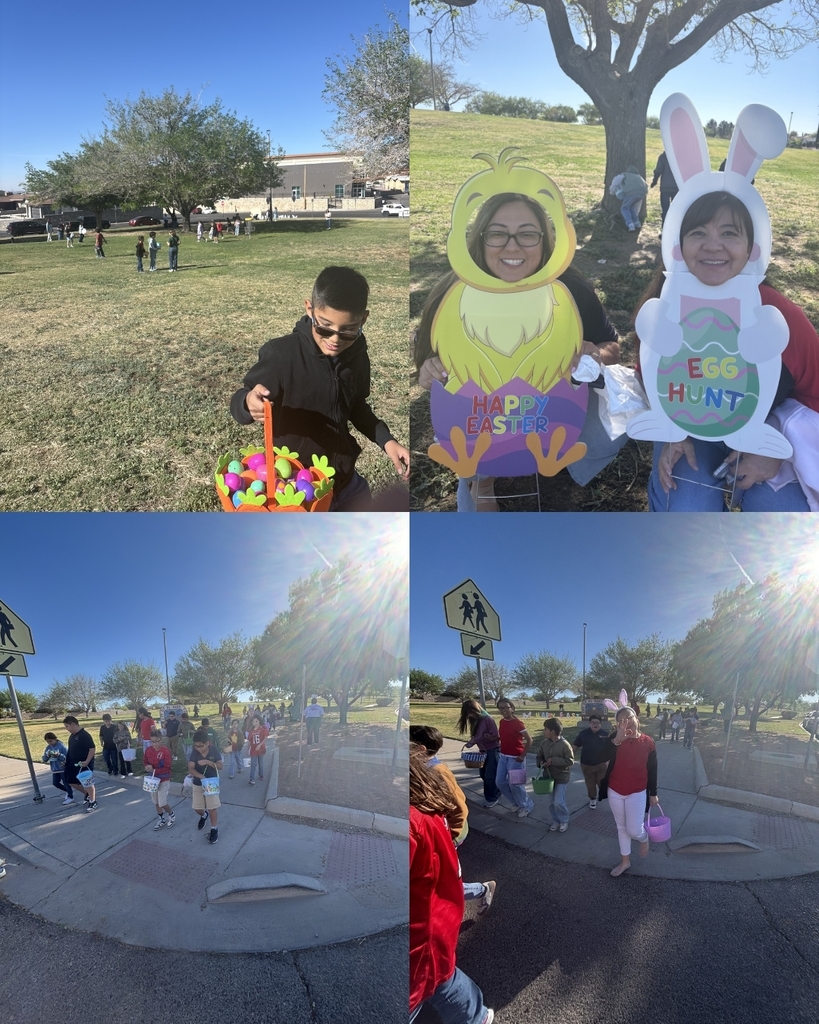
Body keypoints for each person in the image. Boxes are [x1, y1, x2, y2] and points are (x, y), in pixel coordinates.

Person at [415, 191, 625, 512]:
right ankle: (482, 480)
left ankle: (556, 464)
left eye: (527, 234)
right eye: (498, 233)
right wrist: (430, 370)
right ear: (480, 240)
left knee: (612, 428)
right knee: (472, 458)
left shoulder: (571, 290)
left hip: (551, 404)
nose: (512, 246)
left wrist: (595, 353)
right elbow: (427, 366)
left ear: (544, 243)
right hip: (484, 413)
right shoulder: (455, 296)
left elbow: (613, 348)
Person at [639, 192, 819, 511]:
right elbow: (647, 377)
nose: (713, 245)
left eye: (729, 233)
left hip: (767, 431)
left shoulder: (778, 316)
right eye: (698, 233)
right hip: (692, 431)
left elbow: (815, 394)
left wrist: (779, 447)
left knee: (782, 520)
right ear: (678, 246)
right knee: (688, 508)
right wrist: (672, 432)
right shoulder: (665, 310)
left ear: (751, 248)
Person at [230, 265, 410, 510]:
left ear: (363, 319)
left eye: (348, 330)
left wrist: (386, 440)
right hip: (297, 490)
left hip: (345, 481)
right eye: (325, 326)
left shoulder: (355, 353)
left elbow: (356, 406)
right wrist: (247, 403)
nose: (335, 339)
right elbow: (241, 399)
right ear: (309, 309)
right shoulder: (282, 355)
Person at [409, 745, 495, 1024]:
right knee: (440, 979)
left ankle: (474, 1016)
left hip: (426, 922)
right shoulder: (420, 797)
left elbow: (459, 809)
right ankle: (475, 1016)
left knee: (438, 977)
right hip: (434, 906)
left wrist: (455, 837)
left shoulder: (414, 812)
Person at [410, 725, 496, 915]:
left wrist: (450, 838)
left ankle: (482, 890)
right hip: (437, 835)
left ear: (420, 750)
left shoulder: (437, 772)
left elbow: (460, 807)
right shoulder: (420, 769)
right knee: (438, 880)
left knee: (443, 881)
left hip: (449, 834)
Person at [598, 706, 659, 877]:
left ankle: (643, 838)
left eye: (629, 717)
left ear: (636, 718)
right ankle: (625, 861)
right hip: (615, 790)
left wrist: (653, 793)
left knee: (634, 830)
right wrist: (617, 740)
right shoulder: (615, 739)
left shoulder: (648, 742)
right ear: (618, 725)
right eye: (621, 721)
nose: (627, 722)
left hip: (637, 791)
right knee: (621, 828)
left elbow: (653, 770)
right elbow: (600, 757)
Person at [457, 699, 501, 808]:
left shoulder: (488, 719)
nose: (469, 716)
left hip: (492, 750)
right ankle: (497, 790)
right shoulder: (476, 721)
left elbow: (496, 737)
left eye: (469, 713)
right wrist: (473, 741)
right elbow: (478, 736)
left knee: (490, 776)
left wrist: (486, 738)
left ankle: (492, 798)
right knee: (483, 775)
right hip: (483, 751)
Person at [495, 698, 534, 817]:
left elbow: (529, 740)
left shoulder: (518, 723)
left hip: (516, 758)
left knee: (516, 784)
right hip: (503, 757)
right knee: (500, 782)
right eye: (501, 708)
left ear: (512, 708)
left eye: (506, 707)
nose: (504, 710)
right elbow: (504, 737)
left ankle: (527, 805)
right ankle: (516, 803)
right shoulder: (502, 722)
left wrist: (523, 755)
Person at [536, 718, 574, 832]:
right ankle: (556, 820)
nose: (544, 731)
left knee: (558, 801)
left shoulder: (565, 745)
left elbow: (570, 761)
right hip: (548, 778)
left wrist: (553, 760)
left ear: (552, 731)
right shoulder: (544, 743)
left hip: (562, 777)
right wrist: (541, 762)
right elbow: (539, 756)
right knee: (552, 802)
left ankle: (564, 820)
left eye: (546, 729)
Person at [188, 729, 223, 844]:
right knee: (197, 807)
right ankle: (203, 815)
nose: (198, 748)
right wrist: (201, 777)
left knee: (212, 807)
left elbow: (220, 766)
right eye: (196, 746)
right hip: (198, 783)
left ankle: (214, 828)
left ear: (207, 743)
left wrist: (208, 762)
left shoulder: (213, 750)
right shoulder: (194, 752)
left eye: (201, 746)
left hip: (211, 783)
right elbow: (191, 768)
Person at [572, 713, 611, 808]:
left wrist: (608, 761)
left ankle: (607, 796)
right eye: (593, 722)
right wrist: (569, 757)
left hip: (601, 765)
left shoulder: (605, 735)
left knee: (602, 783)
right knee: (590, 784)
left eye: (597, 722)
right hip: (587, 765)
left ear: (601, 724)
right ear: (589, 724)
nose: (595, 724)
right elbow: (575, 746)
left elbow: (611, 749)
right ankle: (593, 799)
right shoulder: (583, 734)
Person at [63, 715, 98, 811]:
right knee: (71, 781)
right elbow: (71, 750)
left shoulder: (84, 735)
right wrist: (67, 760)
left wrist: (87, 761)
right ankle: (87, 794)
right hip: (72, 763)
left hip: (84, 764)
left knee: (88, 784)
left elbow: (92, 749)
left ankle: (93, 801)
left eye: (67, 726)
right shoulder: (72, 735)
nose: (66, 729)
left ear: (73, 724)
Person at [144, 728, 175, 830]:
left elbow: (167, 767)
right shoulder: (148, 750)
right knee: (156, 801)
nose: (155, 744)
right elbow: (145, 761)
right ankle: (161, 818)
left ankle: (171, 814)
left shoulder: (165, 751)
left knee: (162, 802)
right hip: (153, 780)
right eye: (152, 742)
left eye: (157, 741)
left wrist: (154, 770)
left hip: (164, 779)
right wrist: (147, 766)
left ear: (161, 740)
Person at [609, 165, 648, 232]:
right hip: (642, 194)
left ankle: (630, 224)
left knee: (624, 208)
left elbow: (616, 181)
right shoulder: (639, 177)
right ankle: (637, 223)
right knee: (631, 207)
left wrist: (612, 191)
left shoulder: (625, 175)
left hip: (631, 193)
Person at [41, 732, 73, 804]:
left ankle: (70, 797)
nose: (50, 743)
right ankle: (68, 791)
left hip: (62, 768)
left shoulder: (61, 746)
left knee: (66, 782)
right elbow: (44, 759)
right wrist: (47, 755)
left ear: (55, 739)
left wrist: (58, 755)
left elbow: (67, 757)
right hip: (55, 769)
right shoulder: (48, 747)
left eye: (51, 741)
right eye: (47, 741)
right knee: (55, 783)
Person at [650, 151, 679, 226]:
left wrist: (654, 181)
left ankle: (665, 229)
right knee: (676, 210)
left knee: (665, 209)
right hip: (677, 187)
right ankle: (675, 228)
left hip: (665, 187)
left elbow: (658, 171)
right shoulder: (679, 157)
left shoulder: (663, 157)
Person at [247, 714, 268, 785]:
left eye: (256, 721)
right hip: (253, 749)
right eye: (253, 722)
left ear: (259, 721)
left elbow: (265, 737)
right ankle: (251, 778)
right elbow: (249, 741)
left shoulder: (263, 729)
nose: (255, 723)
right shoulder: (251, 731)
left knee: (260, 763)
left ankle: (261, 775)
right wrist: (247, 749)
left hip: (261, 749)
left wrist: (260, 744)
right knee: (253, 764)